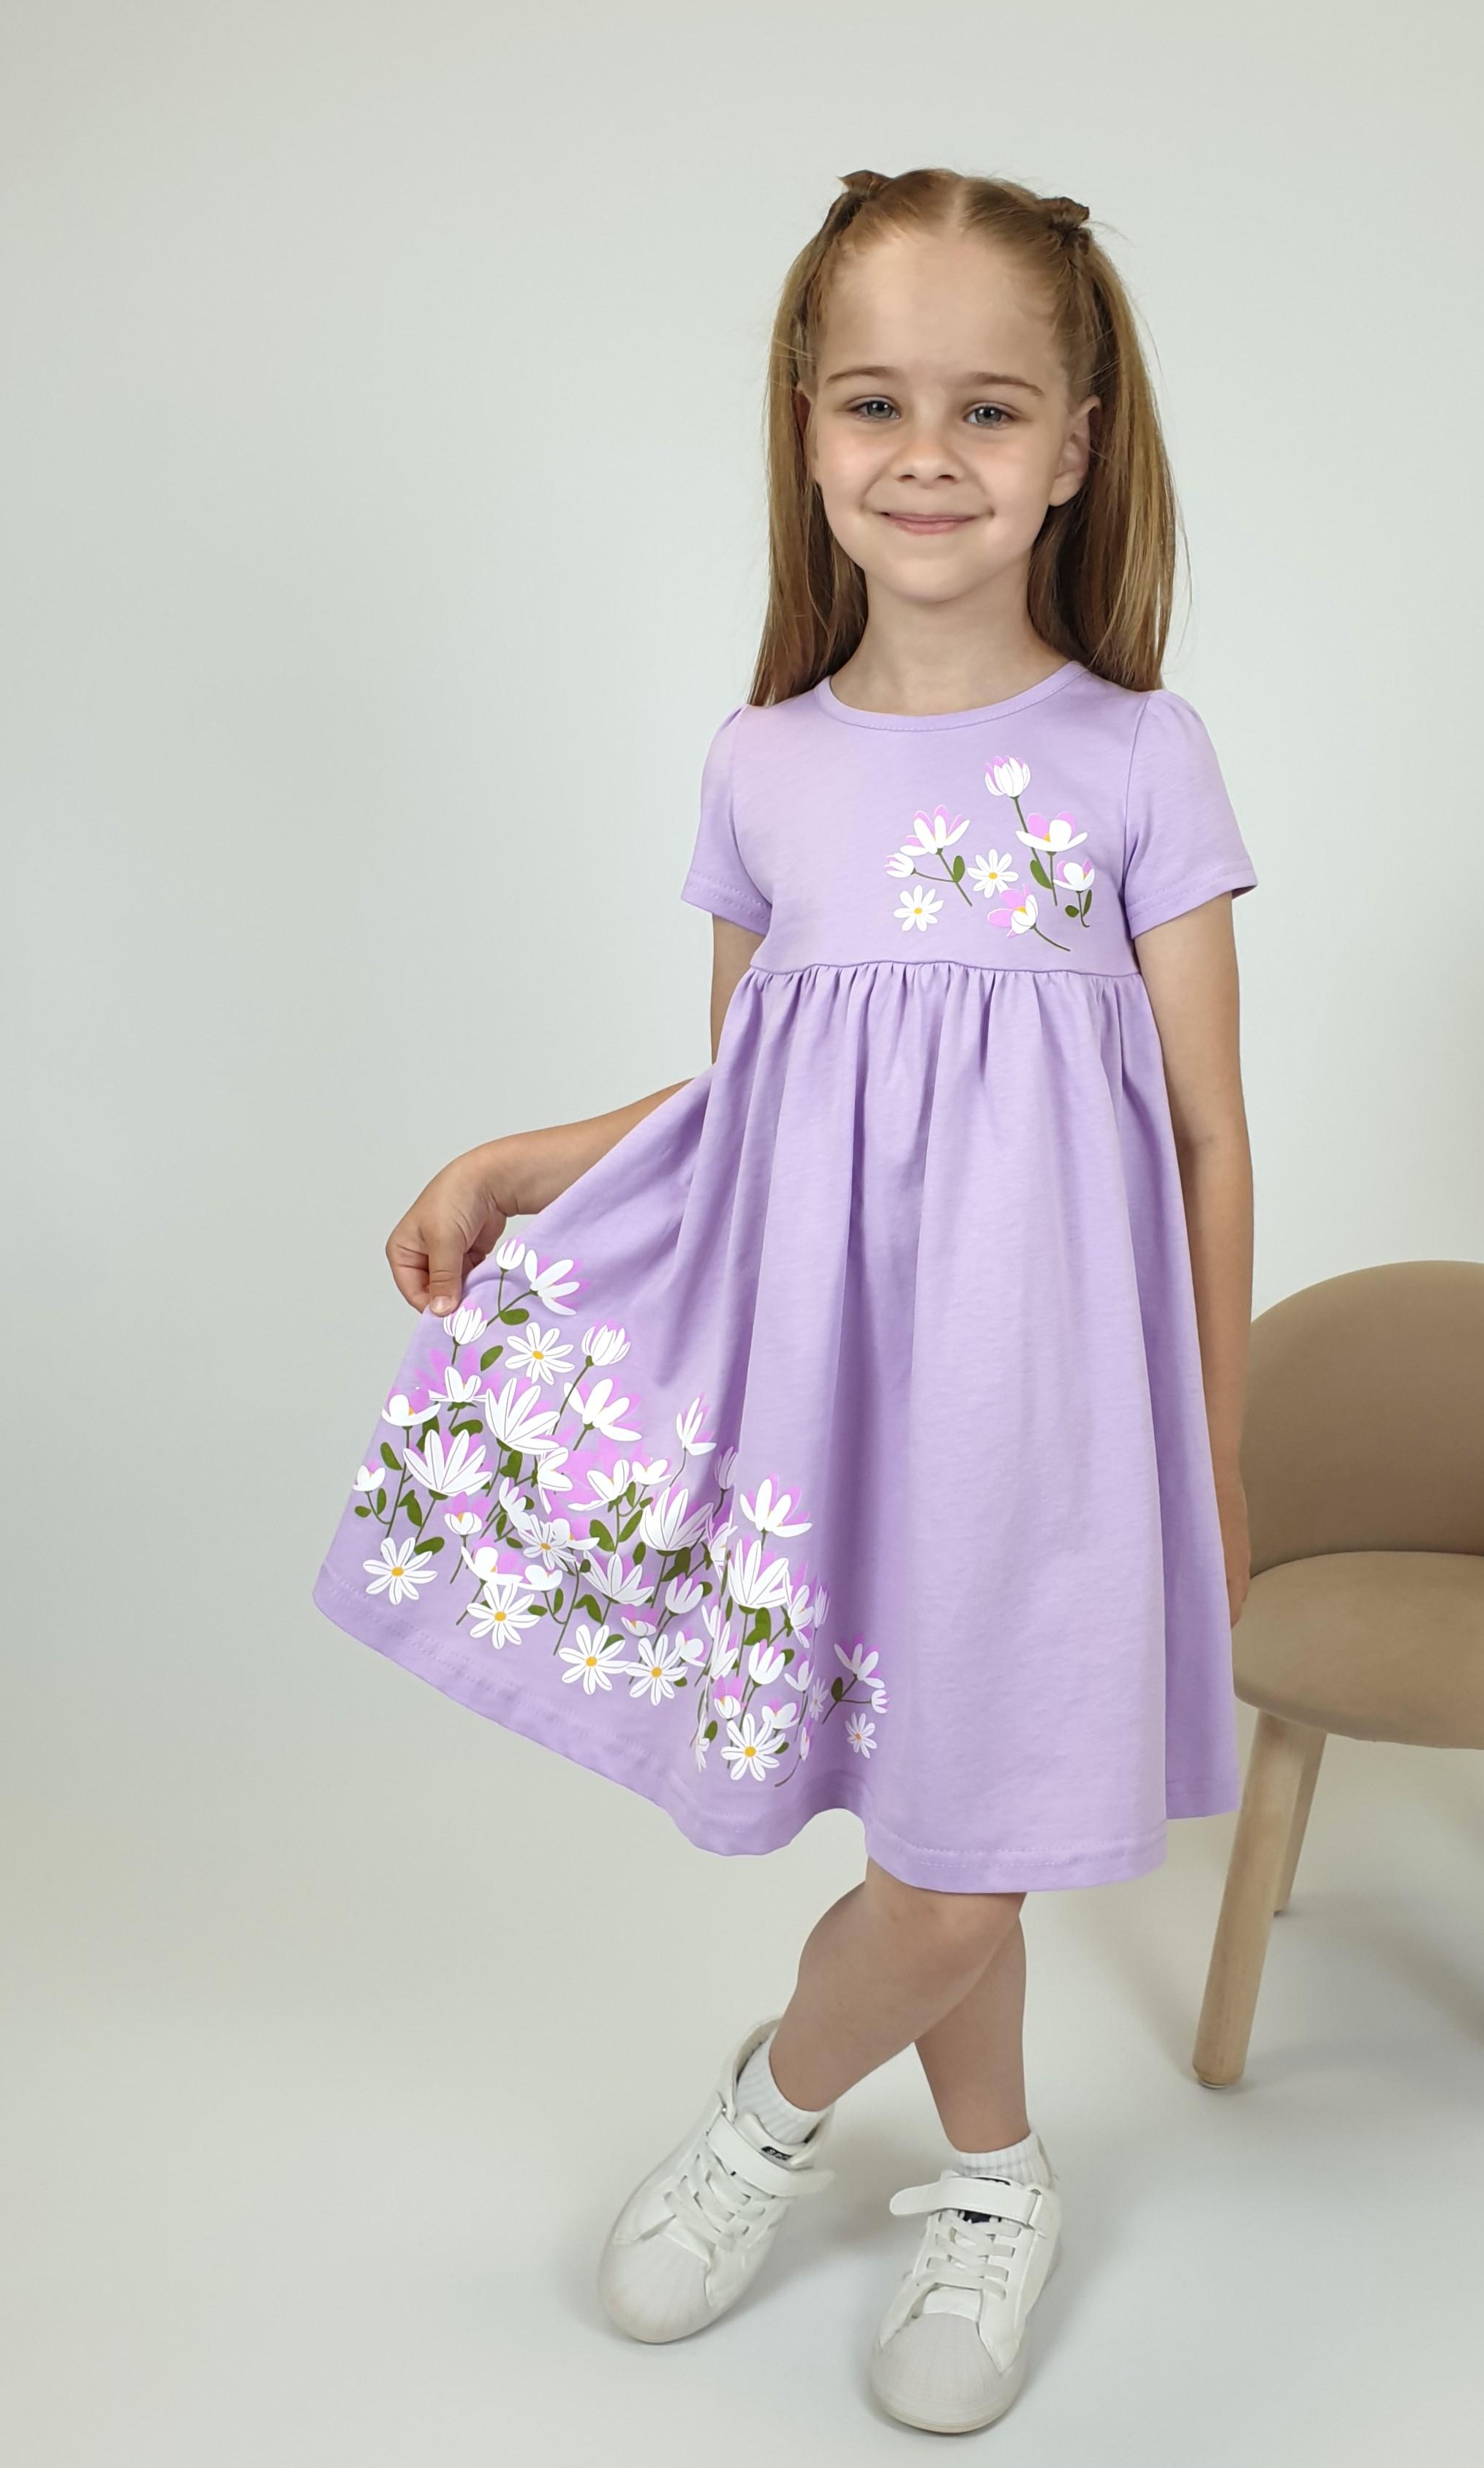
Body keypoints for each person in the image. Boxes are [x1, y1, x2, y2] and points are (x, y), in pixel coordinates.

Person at [310, 165, 1258, 2437]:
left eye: (988, 407)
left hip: (1056, 1435)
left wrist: (1219, 1462)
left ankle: (767, 2114)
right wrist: (519, 1163)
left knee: (958, 1868)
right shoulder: (766, 765)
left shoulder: (1139, 755)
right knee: (948, 1842)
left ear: (1076, 443)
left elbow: (1210, 1139)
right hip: (846, 1406)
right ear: (808, 428)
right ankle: (1000, 2178)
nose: (927, 453)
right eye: (874, 402)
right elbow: (760, 1102)